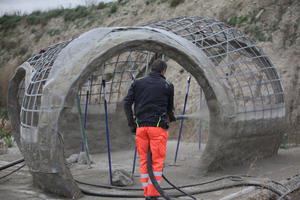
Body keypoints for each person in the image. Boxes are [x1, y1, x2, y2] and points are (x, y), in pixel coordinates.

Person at [124, 59, 176, 200]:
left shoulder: (138, 82)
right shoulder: (167, 85)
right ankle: (153, 196)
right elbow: (169, 109)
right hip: (157, 129)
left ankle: (147, 193)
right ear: (163, 71)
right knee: (156, 162)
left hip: (141, 128)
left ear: (151, 69)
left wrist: (132, 124)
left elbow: (127, 103)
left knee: (143, 161)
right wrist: (172, 117)